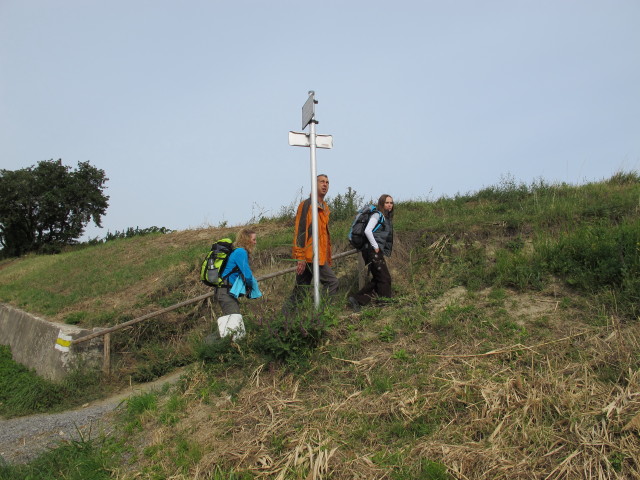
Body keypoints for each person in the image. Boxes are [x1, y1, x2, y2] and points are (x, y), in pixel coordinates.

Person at [282, 174, 339, 315]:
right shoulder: (307, 204)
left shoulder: (324, 207)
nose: (325, 185)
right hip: (310, 256)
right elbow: (300, 231)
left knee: (300, 291)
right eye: (322, 182)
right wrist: (300, 256)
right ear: (314, 184)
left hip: (317, 256)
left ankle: (283, 321)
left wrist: (326, 256)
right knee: (332, 282)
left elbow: (322, 236)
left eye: (327, 182)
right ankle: (323, 315)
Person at [348, 194, 395, 310]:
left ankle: (357, 299)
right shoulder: (377, 215)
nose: (389, 205)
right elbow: (368, 231)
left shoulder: (385, 218)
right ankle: (384, 303)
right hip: (372, 251)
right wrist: (376, 247)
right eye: (387, 203)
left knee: (379, 278)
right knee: (385, 278)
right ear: (381, 204)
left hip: (373, 251)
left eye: (391, 203)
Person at [215, 228, 260, 316]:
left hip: (225, 290)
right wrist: (252, 287)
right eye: (253, 239)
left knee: (233, 319)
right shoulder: (241, 252)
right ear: (247, 240)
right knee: (234, 320)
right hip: (225, 291)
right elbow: (247, 275)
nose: (255, 242)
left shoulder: (237, 251)